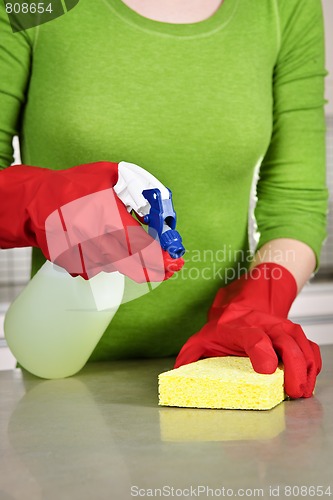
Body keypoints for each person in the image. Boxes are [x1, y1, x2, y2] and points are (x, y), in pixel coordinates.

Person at [0, 0, 328, 398]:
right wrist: (37, 200)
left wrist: (259, 301)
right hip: (60, 376)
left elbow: (296, 204)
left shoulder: (283, 7)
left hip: (224, 369)